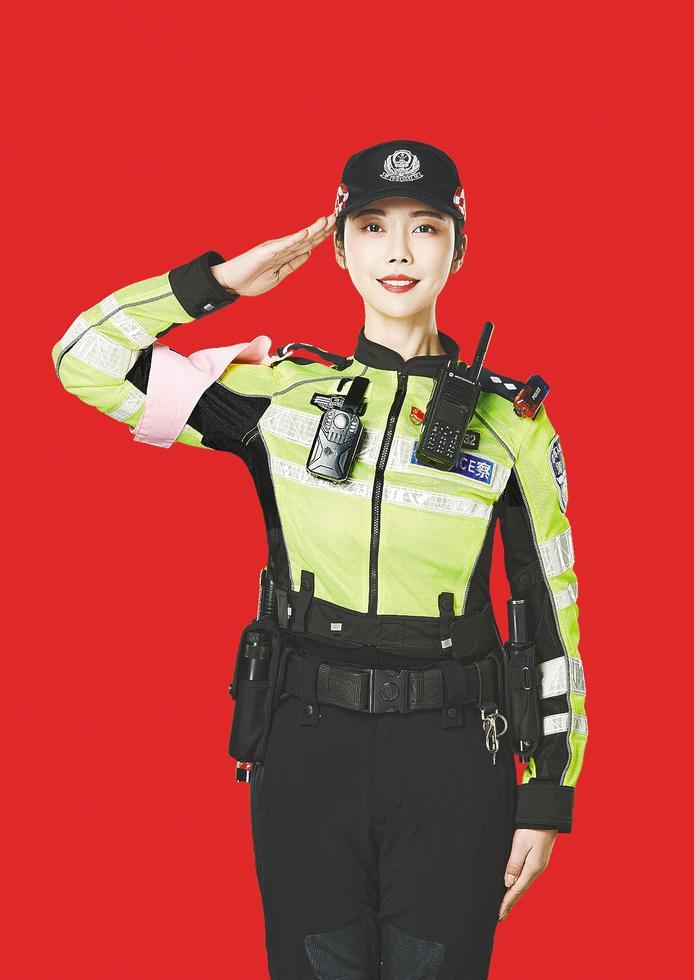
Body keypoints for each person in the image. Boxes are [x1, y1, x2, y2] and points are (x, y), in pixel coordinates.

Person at [52, 139, 588, 980]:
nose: (399, 252)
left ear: (459, 247)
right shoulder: (281, 394)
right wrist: (221, 282)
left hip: (455, 759)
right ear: (338, 248)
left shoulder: (512, 426)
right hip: (306, 749)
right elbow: (84, 357)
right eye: (371, 226)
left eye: (425, 227)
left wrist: (549, 792)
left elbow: (551, 610)